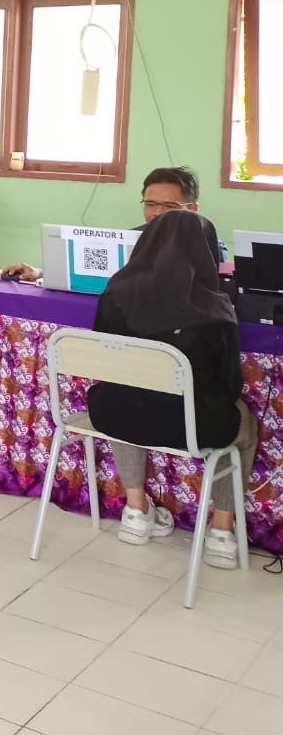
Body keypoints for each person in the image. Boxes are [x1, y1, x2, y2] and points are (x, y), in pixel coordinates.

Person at [85, 211, 256, 568]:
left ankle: (135, 511)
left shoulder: (115, 290)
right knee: (245, 424)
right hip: (193, 427)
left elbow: (105, 357)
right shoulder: (215, 304)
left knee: (126, 394)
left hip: (113, 415)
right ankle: (222, 532)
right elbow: (229, 385)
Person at [2, 165, 222, 281]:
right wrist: (40, 273)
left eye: (169, 206)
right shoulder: (129, 241)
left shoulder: (208, 249)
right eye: (151, 204)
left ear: (192, 209)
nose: (157, 213)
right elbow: (98, 273)